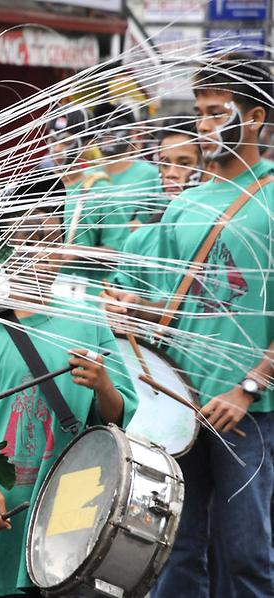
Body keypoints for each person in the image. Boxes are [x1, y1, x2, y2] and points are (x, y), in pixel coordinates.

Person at [103, 53, 274, 597]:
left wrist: (249, 387)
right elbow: (166, 313)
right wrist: (127, 312)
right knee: (172, 550)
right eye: (199, 112)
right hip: (178, 411)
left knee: (244, 554)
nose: (203, 126)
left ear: (254, 120)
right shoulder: (184, 206)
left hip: (248, 415)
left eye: (215, 111)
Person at [0, 177, 138, 598]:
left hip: (71, 506)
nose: (35, 252)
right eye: (23, 239)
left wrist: (103, 384)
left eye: (46, 238)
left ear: (62, 247)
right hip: (1, 506)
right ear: (2, 248)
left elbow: (117, 418)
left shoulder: (88, 320)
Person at [108, 117, 203, 302]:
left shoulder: (222, 229)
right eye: (165, 164)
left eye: (184, 164)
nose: (171, 173)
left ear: (208, 165)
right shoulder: (139, 241)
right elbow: (121, 296)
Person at [46, 105, 130, 298]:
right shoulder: (37, 187)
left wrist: (79, 252)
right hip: (38, 295)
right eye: (52, 141)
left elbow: (121, 252)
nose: (57, 149)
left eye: (66, 142)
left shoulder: (99, 191)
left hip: (85, 298)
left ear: (87, 143)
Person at [90, 102, 162, 230]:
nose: (107, 131)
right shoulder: (87, 177)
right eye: (101, 126)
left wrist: (144, 228)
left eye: (116, 126)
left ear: (133, 132)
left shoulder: (153, 176)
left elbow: (166, 222)